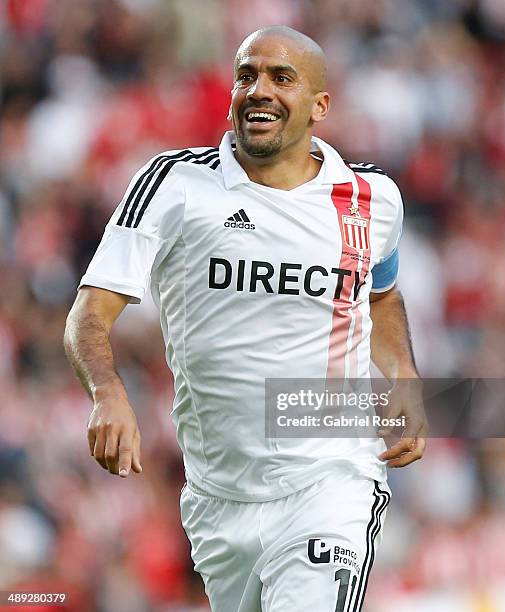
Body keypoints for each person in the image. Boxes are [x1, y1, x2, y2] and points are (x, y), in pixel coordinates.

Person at [64, 25, 427, 612]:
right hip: (217, 497)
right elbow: (89, 312)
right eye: (246, 75)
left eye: (281, 78)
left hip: (331, 478)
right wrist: (107, 394)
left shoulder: (372, 199)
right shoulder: (174, 185)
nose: (258, 90)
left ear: (319, 105)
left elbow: (380, 295)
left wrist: (404, 376)